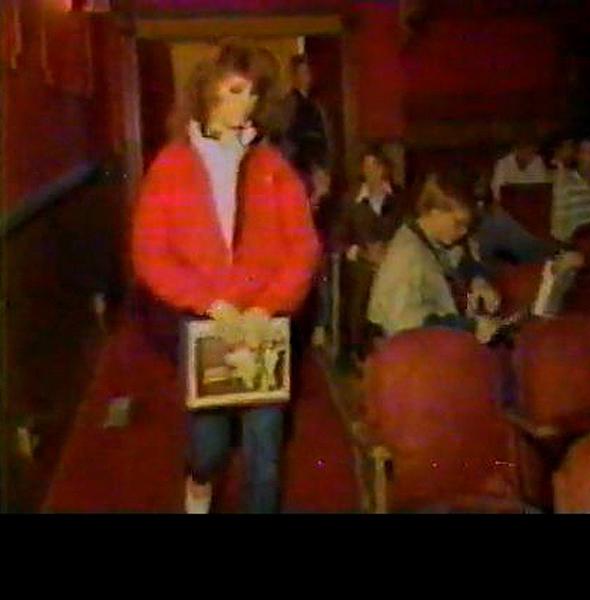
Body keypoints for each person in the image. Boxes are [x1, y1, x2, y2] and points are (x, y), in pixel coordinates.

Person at [132, 43, 320, 514]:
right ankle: (199, 484)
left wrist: (269, 305)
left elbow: (304, 247)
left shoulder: (274, 167)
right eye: (235, 91)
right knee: (209, 446)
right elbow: (150, 255)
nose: (246, 104)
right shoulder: (171, 167)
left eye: (253, 94)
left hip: (264, 325)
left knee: (265, 453)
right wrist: (207, 302)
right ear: (208, 94)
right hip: (205, 324)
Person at [367, 168, 502, 340]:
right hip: (405, 353)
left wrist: (478, 279)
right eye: (458, 223)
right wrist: (471, 328)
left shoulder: (431, 238)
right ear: (435, 212)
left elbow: (460, 260)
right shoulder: (408, 254)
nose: (464, 231)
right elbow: (407, 325)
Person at [334, 146, 407, 362]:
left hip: (393, 260)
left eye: (375, 166)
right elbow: (338, 237)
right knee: (361, 282)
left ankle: (395, 345)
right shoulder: (351, 200)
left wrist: (389, 251)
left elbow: (409, 231)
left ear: (385, 169)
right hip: (361, 262)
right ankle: (358, 350)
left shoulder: (398, 198)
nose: (371, 172)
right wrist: (362, 251)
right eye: (366, 167)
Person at [278, 54, 332, 196]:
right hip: (297, 166)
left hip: (318, 165)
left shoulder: (317, 106)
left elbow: (325, 138)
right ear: (294, 77)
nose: (306, 77)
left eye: (308, 73)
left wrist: (324, 167)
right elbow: (285, 138)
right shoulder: (288, 105)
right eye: (302, 73)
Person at [490, 127, 550, 204]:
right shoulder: (503, 164)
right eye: (526, 153)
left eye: (532, 153)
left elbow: (542, 186)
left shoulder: (538, 161)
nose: (530, 157)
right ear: (516, 150)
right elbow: (497, 192)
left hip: (532, 203)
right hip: (508, 204)